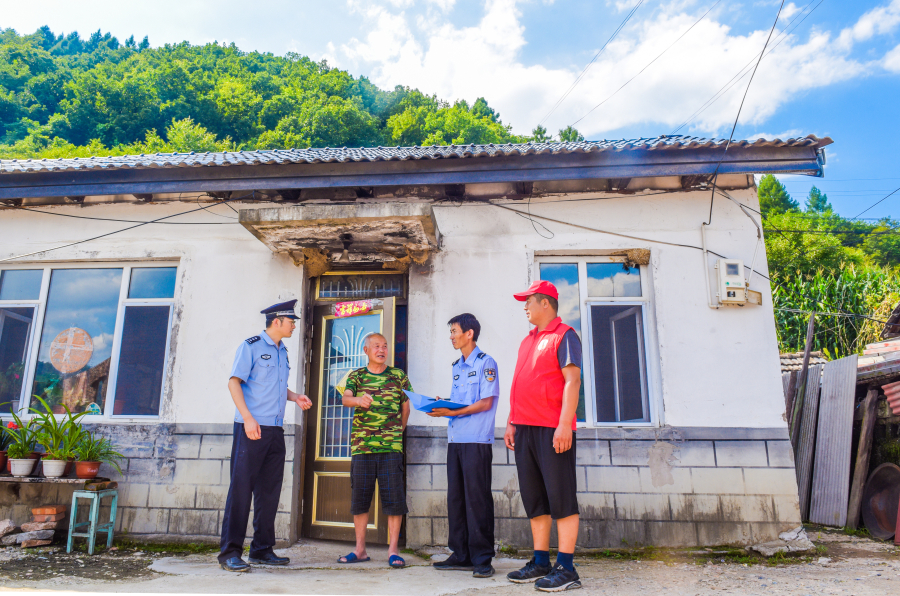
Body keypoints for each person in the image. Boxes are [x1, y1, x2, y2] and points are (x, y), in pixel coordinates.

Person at [218, 299, 313, 572]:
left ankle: (261, 549)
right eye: (291, 321)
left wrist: (295, 397)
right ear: (277, 321)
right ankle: (230, 553)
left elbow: (276, 386)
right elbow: (234, 383)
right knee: (241, 490)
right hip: (251, 428)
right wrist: (248, 418)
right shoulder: (251, 347)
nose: (294, 325)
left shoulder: (283, 351)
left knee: (269, 491)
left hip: (274, 430)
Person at [504, 280, 583, 592]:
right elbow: (520, 383)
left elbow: (572, 380)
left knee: (561, 497)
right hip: (524, 428)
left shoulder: (565, 335)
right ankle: (540, 562)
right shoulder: (528, 340)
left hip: (553, 429)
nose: (525, 306)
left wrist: (565, 424)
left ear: (545, 303)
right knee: (534, 498)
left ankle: (566, 568)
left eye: (529, 301)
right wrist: (512, 421)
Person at [429, 313, 500, 579]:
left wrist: (451, 412)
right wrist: (443, 404)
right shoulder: (457, 366)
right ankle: (460, 554)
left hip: (476, 440)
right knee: (456, 499)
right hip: (456, 440)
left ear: (469, 333)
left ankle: (482, 559)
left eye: (454, 331)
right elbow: (461, 402)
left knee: (477, 499)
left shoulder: (486, 363)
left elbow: (485, 402)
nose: (451, 336)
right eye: (450, 332)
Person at [339, 333, 412, 568]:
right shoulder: (356, 375)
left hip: (391, 448)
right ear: (366, 350)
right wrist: (359, 400)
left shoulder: (398, 376)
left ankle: (393, 550)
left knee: (394, 500)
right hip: (363, 447)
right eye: (377, 346)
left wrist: (396, 433)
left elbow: (406, 407)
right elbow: (346, 399)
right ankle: (360, 550)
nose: (381, 350)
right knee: (360, 499)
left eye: (385, 346)